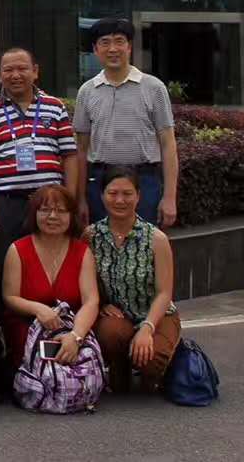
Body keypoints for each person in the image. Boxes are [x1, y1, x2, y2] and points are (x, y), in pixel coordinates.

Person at [0, 47, 77, 313]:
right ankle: (7, 324)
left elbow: (69, 155)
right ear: (0, 75)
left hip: (49, 201)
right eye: (8, 70)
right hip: (7, 202)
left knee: (50, 261)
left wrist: (70, 199)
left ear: (35, 72)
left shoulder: (55, 107)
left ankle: (55, 317)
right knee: (5, 263)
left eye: (22, 69)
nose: (15, 75)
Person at [74, 18, 178, 228]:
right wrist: (80, 199)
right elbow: (81, 148)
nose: (113, 49)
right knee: (100, 243)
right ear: (95, 49)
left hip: (144, 181)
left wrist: (169, 198)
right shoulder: (87, 91)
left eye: (119, 41)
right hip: (100, 182)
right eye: (105, 42)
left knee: (144, 243)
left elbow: (168, 144)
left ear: (129, 46)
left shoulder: (154, 88)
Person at [86, 168, 182, 394]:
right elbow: (87, 282)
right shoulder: (90, 236)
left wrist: (147, 328)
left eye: (127, 194)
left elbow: (164, 293)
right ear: (101, 196)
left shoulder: (156, 239)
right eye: (113, 193)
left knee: (151, 359)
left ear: (138, 196)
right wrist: (101, 304)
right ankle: (119, 363)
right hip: (118, 317)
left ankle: (163, 361)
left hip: (156, 315)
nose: (120, 200)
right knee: (110, 334)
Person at [1, 185, 99, 369]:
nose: (53, 216)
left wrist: (75, 336)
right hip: (28, 325)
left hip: (72, 325)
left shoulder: (82, 251)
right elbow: (10, 297)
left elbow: (91, 301)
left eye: (61, 211)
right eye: (45, 210)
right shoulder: (17, 249)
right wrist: (38, 309)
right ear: (34, 214)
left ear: (71, 216)